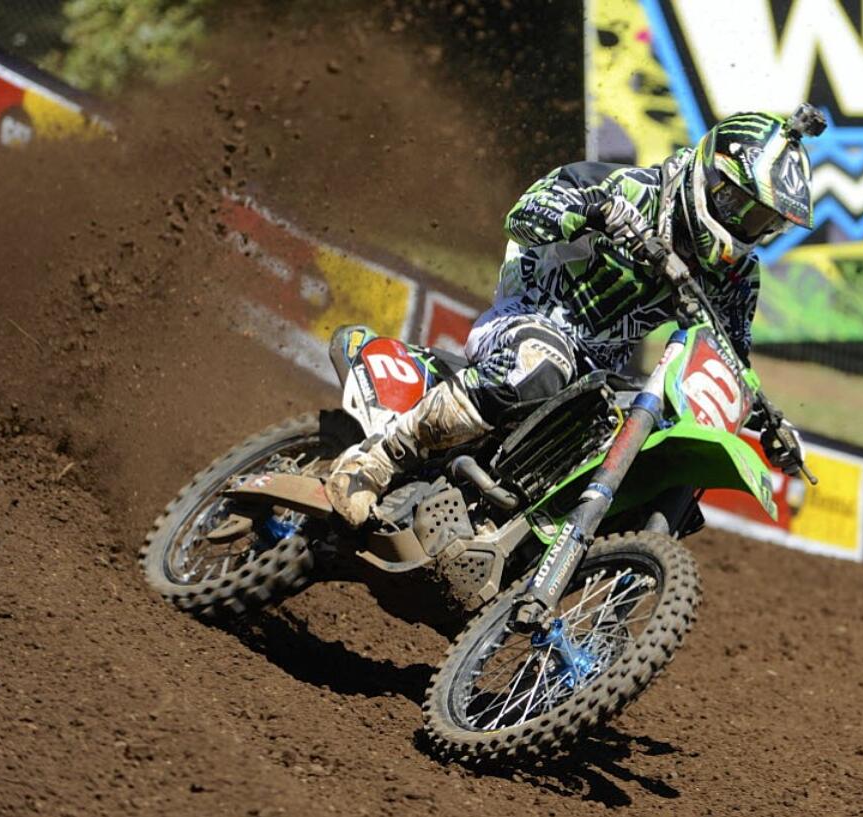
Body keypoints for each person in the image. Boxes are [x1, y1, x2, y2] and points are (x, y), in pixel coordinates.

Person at [327, 104, 827, 527]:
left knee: (669, 462)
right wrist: (591, 209)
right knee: (542, 364)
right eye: (744, 207)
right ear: (713, 178)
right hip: (532, 316)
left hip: (599, 375)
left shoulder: (737, 276)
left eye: (763, 221)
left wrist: (769, 427)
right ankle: (375, 460)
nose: (747, 227)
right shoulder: (631, 189)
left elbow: (727, 358)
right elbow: (522, 216)